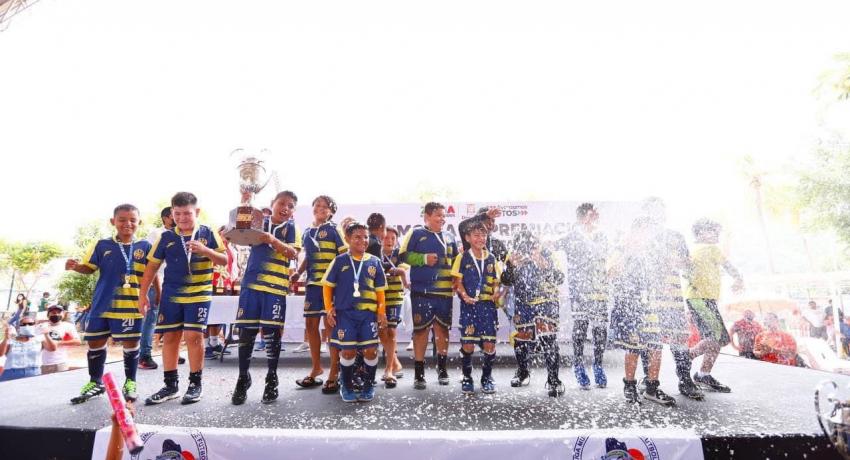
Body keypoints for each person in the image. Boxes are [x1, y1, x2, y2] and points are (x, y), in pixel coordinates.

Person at [140, 192, 228, 405]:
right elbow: (152, 266)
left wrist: (206, 250)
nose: (182, 218)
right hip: (172, 294)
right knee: (169, 338)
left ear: (196, 212)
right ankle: (170, 386)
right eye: (177, 213)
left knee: (193, 336)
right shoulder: (166, 237)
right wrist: (142, 294)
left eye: (187, 213)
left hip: (199, 292)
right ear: (171, 213)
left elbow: (224, 260)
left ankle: (195, 384)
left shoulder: (208, 233)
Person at [65, 204, 153, 403]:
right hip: (102, 303)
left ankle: (130, 382)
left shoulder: (145, 246)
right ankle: (95, 382)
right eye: (122, 220)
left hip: (131, 304)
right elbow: (89, 268)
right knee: (95, 342)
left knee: (131, 342)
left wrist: (153, 296)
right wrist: (76, 267)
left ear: (139, 222)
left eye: (132, 220)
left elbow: (152, 273)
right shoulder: (101, 245)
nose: (127, 224)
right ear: (113, 222)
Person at [231, 191, 301, 405]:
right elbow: (239, 226)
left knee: (271, 333)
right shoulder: (260, 220)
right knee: (246, 332)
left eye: (290, 206)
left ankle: (272, 378)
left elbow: (293, 253)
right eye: (282, 203)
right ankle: (243, 378)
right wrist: (245, 199)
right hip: (250, 286)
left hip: (275, 288)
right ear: (273, 204)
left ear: (293, 211)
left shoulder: (292, 229)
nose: (285, 208)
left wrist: (272, 240)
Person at [640, 197, 703, 401]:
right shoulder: (641, 237)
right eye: (653, 210)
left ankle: (685, 380)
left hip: (674, 297)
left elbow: (687, 263)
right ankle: (648, 381)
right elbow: (635, 265)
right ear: (646, 213)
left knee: (679, 338)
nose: (658, 214)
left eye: (661, 210)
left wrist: (679, 262)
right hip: (650, 297)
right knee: (651, 340)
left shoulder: (676, 236)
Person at [608, 217, 673, 406]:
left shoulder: (651, 251)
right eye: (644, 231)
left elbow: (660, 274)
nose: (646, 236)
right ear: (635, 231)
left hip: (650, 305)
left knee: (655, 345)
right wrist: (624, 252)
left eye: (649, 232)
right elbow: (610, 272)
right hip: (630, 305)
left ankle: (652, 388)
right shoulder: (622, 247)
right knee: (634, 346)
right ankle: (629, 385)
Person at [323, 221, 388, 402]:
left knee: (371, 351)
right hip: (345, 315)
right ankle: (347, 385)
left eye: (365, 237)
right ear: (347, 239)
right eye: (357, 237)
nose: (363, 240)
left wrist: (381, 312)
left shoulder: (374, 262)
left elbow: (380, 290)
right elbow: (327, 287)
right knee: (348, 352)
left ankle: (368, 385)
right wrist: (329, 309)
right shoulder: (339, 261)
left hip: (368, 315)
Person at [399, 202, 459, 389]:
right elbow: (402, 256)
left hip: (444, 293)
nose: (442, 219)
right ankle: (419, 373)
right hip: (422, 292)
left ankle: (442, 369)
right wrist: (423, 259)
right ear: (427, 216)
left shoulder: (450, 236)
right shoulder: (415, 233)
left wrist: (457, 280)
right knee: (421, 331)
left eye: (444, 216)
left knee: (442, 330)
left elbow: (456, 262)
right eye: (438, 215)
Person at [291, 195, 346, 392]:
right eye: (317, 205)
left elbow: (343, 255)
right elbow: (308, 257)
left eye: (325, 206)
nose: (320, 208)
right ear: (312, 208)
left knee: (329, 325)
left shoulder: (334, 229)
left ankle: (334, 370)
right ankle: (316, 368)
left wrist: (341, 281)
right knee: (310, 324)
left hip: (331, 285)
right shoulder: (307, 231)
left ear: (331, 211)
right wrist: (298, 272)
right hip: (312, 284)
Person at [501, 231, 566, 397]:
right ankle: (523, 372)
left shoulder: (547, 253)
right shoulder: (514, 255)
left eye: (533, 246)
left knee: (548, 337)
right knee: (522, 338)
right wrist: (513, 266)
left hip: (546, 300)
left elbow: (559, 278)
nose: (529, 250)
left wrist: (542, 263)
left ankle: (553, 380)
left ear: (538, 243)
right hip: (524, 302)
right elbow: (506, 280)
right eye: (524, 247)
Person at [685, 218, 744, 393]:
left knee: (718, 340)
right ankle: (685, 357)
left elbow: (688, 272)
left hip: (699, 299)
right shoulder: (710, 249)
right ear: (701, 233)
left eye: (717, 232)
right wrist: (739, 278)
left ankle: (703, 374)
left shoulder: (694, 250)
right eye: (712, 231)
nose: (716, 235)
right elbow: (727, 265)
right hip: (700, 299)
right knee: (716, 338)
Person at [555, 202, 610, 390]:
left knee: (600, 329)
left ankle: (598, 365)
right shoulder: (572, 236)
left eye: (596, 213)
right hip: (580, 290)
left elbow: (612, 258)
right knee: (580, 327)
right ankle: (578, 365)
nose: (595, 216)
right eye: (591, 213)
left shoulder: (603, 235)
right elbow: (550, 246)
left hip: (600, 290)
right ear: (582, 217)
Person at [452, 221, 502, 394]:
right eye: (476, 235)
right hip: (469, 307)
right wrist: (465, 296)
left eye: (483, 235)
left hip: (488, 308)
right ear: (467, 238)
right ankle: (467, 377)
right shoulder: (462, 257)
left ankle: (487, 377)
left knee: (489, 344)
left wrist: (496, 292)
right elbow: (457, 283)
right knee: (468, 345)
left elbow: (497, 282)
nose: (481, 238)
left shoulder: (492, 258)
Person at [139, 206, 172, 370]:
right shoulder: (155, 234)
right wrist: (156, 287)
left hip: (172, 283)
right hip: (156, 281)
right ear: (165, 218)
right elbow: (151, 264)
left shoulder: (181, 234)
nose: (178, 218)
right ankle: (144, 355)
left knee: (170, 319)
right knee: (151, 318)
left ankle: (171, 351)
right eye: (174, 215)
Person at [378, 227, 408, 387]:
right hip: (379, 297)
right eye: (386, 238)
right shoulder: (375, 254)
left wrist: (401, 271)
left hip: (395, 297)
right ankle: (395, 362)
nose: (389, 241)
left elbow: (405, 269)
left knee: (391, 330)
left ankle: (389, 369)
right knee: (381, 331)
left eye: (392, 238)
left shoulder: (399, 255)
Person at [0, 313, 56, 381]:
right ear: (19, 326)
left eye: (30, 324)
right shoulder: (11, 338)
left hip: (33, 372)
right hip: (11, 372)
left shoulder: (39, 338)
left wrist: (47, 335)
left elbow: (52, 349)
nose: (27, 326)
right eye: (23, 324)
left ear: (35, 325)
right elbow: (1, 354)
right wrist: (6, 338)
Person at [41, 304, 81, 374]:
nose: (56, 314)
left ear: (63, 314)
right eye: (53, 313)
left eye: (58, 312)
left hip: (60, 363)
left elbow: (78, 341)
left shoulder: (68, 326)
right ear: (48, 315)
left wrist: (58, 343)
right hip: (42, 364)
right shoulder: (41, 326)